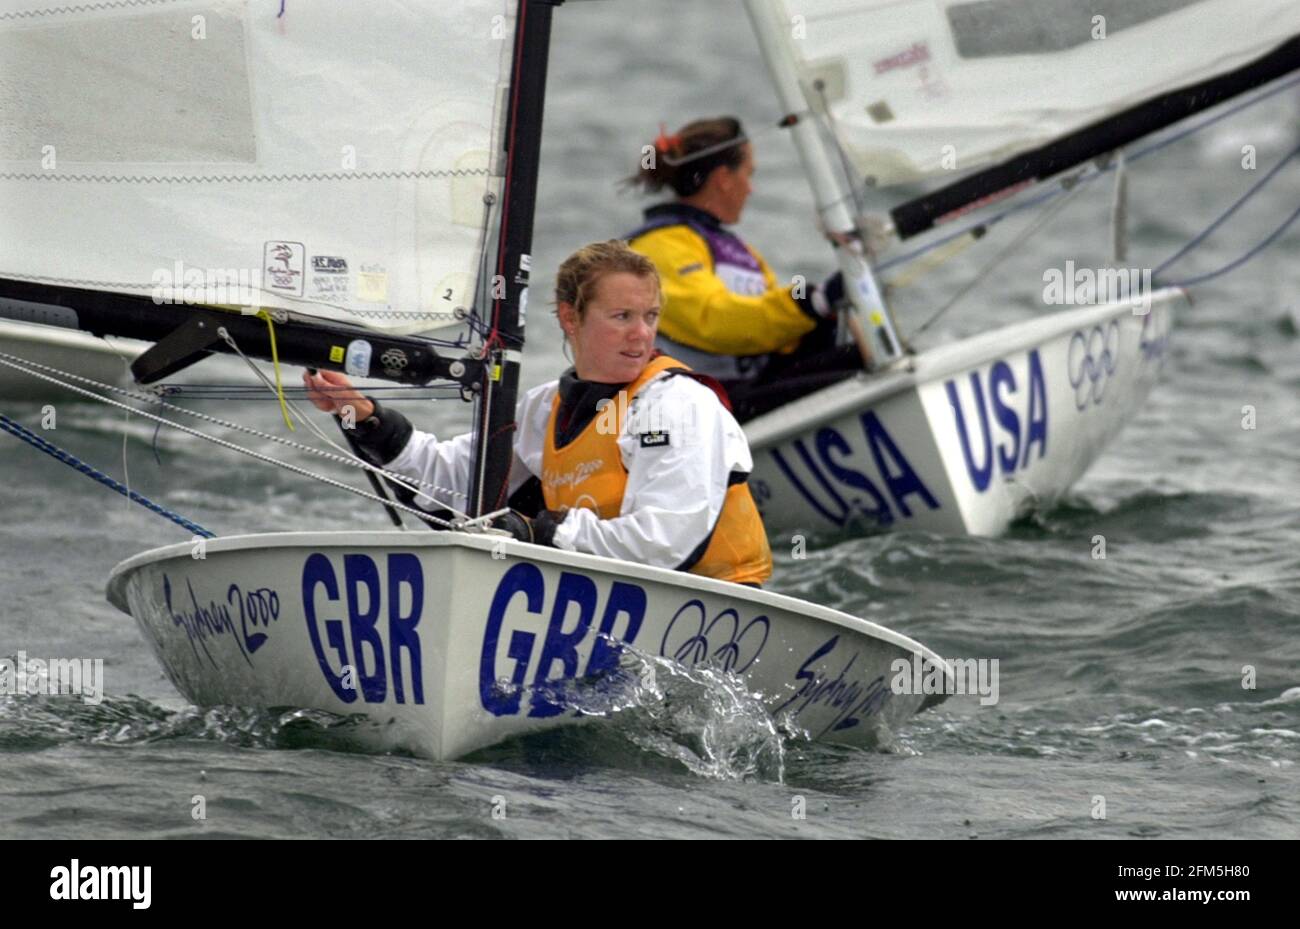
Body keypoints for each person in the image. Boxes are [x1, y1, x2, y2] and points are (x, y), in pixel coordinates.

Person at [303, 240, 772, 586]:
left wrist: (539, 532)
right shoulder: (546, 408)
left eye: (650, 316)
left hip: (719, 608)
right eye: (622, 317)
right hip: (611, 606)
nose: (641, 335)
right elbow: (455, 484)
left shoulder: (678, 404)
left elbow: (665, 542)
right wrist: (367, 418)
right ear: (571, 318)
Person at [625, 116, 863, 421]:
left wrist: (825, 305)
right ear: (724, 178)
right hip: (695, 411)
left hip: (741, 392)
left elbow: (764, 326)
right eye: (748, 175)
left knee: (859, 359)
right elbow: (714, 320)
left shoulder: (731, 247)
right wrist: (809, 303)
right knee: (855, 375)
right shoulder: (659, 246)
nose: (750, 189)